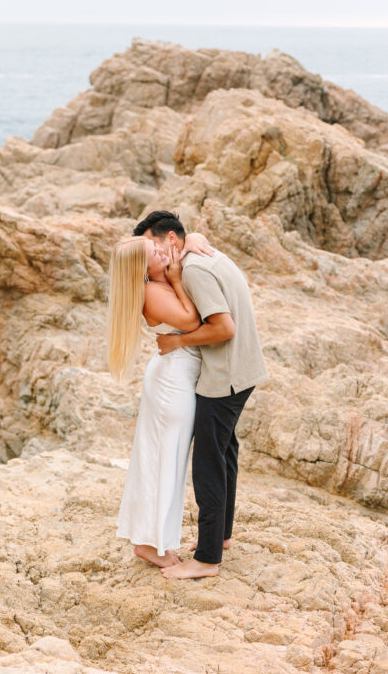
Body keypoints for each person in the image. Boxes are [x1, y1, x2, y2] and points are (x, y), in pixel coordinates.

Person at [136, 211, 268, 580]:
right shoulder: (203, 256)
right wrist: (191, 236)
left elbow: (223, 328)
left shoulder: (193, 270)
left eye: (156, 246)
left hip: (223, 375)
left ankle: (208, 559)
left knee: (208, 463)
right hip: (243, 369)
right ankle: (220, 536)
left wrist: (177, 340)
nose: (157, 256)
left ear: (172, 241)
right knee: (225, 451)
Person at [107, 231, 213, 568]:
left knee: (167, 460)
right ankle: (149, 544)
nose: (160, 249)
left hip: (178, 376)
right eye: (153, 251)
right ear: (143, 265)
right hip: (172, 382)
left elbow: (181, 237)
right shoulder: (152, 291)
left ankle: (155, 540)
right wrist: (179, 279)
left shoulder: (157, 281)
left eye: (156, 244)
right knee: (163, 461)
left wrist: (192, 237)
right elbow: (193, 321)